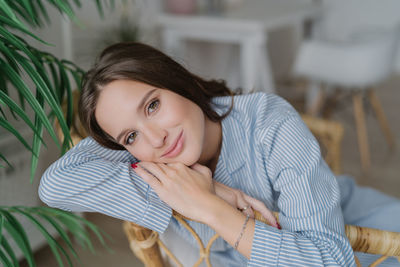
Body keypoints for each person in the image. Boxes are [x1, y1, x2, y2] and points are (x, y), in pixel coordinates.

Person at [39, 42, 400, 266]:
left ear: (177, 80)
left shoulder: (268, 122)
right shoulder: (146, 157)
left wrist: (210, 205)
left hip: (360, 229)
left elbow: (330, 263)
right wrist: (206, 192)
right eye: (130, 135)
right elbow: (54, 186)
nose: (157, 138)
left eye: (152, 106)